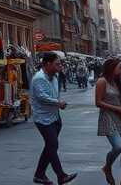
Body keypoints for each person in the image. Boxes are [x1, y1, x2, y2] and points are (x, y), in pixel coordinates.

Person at [31, 52, 77, 185]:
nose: (60, 66)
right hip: (43, 119)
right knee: (52, 145)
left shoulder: (55, 77)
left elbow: (53, 95)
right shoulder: (39, 78)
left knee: (50, 147)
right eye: (57, 64)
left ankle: (39, 174)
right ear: (47, 64)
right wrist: (58, 103)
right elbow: (42, 97)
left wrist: (57, 104)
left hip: (55, 117)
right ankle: (61, 175)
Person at [96, 58, 121, 185]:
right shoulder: (102, 81)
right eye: (119, 67)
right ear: (111, 68)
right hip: (109, 117)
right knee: (118, 146)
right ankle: (107, 167)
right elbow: (98, 102)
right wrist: (116, 108)